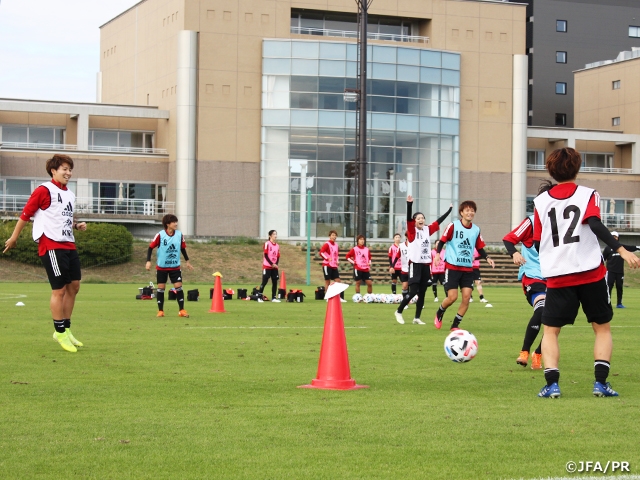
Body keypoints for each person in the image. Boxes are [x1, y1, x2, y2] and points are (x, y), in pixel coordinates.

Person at [532, 148, 640, 398]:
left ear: (550, 170)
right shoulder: (588, 194)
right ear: (577, 168)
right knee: (601, 328)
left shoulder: (540, 202)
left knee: (550, 331)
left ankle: (552, 385)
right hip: (590, 273)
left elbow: (538, 241)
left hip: (558, 275)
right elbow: (594, 223)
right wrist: (621, 249)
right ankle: (600, 384)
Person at [3, 154, 86, 353]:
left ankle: (66, 329)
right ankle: (59, 332)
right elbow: (26, 214)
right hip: (51, 245)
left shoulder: (69, 194)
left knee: (74, 286)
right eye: (64, 169)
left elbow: (60, 217)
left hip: (68, 244)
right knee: (58, 290)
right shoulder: (43, 190)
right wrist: (14, 238)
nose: (68, 173)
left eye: (70, 169)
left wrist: (76, 224)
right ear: (53, 171)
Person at [433, 201, 496, 331]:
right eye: (467, 210)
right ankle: (440, 312)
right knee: (452, 297)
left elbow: (480, 247)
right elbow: (442, 241)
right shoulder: (453, 226)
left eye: (472, 210)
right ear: (461, 213)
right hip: (452, 268)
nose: (470, 213)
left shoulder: (476, 230)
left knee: (466, 298)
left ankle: (455, 325)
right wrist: (438, 254)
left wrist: (488, 258)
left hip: (468, 269)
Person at [394, 196, 452, 325]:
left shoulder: (427, 230)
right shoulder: (412, 231)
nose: (421, 220)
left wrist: (449, 210)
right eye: (418, 218)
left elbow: (439, 221)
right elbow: (409, 218)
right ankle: (399, 311)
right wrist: (409, 205)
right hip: (415, 265)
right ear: (414, 221)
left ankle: (417, 317)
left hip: (426, 265)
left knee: (423, 293)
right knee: (413, 291)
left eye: (422, 218)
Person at [503, 213, 546, 370]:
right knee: (542, 309)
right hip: (534, 275)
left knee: (555, 320)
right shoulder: (531, 222)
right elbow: (508, 239)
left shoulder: (561, 222)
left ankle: (538, 353)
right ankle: (525, 352)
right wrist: (514, 252)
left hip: (556, 276)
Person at [146, 214, 193, 318]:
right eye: (174, 222)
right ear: (168, 224)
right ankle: (161, 311)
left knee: (179, 287)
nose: (176, 224)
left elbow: (183, 249)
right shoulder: (160, 235)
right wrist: (148, 261)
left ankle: (182, 310)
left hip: (175, 267)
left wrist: (187, 261)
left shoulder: (179, 235)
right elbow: (150, 248)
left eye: (176, 222)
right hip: (162, 267)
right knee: (161, 288)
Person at [602, 231, 640, 309]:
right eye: (613, 236)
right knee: (609, 287)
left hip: (619, 272)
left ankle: (619, 303)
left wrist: (638, 247)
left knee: (619, 287)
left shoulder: (622, 247)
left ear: (618, 238)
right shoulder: (607, 248)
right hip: (610, 271)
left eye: (615, 237)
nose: (614, 238)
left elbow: (631, 248)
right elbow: (602, 259)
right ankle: (607, 303)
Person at [319, 230, 347, 302]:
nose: (334, 237)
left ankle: (339, 297)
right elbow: (321, 252)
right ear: (329, 236)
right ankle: (328, 297)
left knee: (338, 281)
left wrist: (337, 261)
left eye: (335, 235)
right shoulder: (327, 244)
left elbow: (337, 255)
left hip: (334, 266)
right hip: (327, 265)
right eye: (332, 235)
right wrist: (327, 258)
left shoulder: (336, 245)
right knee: (327, 281)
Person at [259, 230, 281, 302]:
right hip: (267, 266)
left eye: (276, 234)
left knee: (275, 281)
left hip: (274, 267)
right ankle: (259, 297)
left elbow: (278, 256)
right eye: (274, 234)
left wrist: (276, 264)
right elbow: (265, 255)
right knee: (264, 281)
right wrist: (272, 264)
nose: (275, 236)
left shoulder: (277, 246)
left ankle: (274, 297)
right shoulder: (267, 244)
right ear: (270, 236)